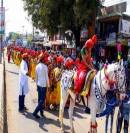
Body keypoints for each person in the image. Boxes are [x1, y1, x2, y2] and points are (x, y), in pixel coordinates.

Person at [33, 53, 50, 119]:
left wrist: (36, 85)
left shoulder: (37, 66)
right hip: (43, 85)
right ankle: (35, 112)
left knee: (39, 99)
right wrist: (48, 85)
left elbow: (36, 77)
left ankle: (41, 112)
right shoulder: (45, 67)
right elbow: (46, 77)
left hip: (39, 84)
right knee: (42, 100)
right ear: (43, 60)